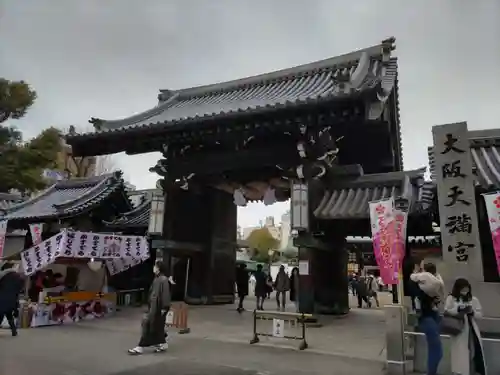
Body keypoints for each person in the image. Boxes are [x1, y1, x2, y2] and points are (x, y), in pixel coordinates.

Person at [444, 278, 486, 375]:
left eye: (466, 289)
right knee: (459, 353)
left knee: (472, 351)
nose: (465, 292)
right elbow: (447, 311)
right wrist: (458, 309)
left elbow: (480, 314)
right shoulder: (451, 298)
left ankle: (472, 371)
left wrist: (472, 312)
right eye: (463, 289)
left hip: (471, 329)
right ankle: (459, 372)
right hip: (457, 329)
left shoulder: (473, 299)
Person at [128, 261, 171, 355]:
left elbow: (165, 294)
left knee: (148, 325)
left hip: (159, 308)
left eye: (155, 266)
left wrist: (164, 307)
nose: (154, 268)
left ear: (159, 268)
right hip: (154, 307)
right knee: (157, 327)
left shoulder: (163, 280)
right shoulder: (157, 279)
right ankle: (162, 343)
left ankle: (140, 347)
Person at [411, 261, 444, 375]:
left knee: (434, 349)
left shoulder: (430, 283)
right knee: (437, 350)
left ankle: (431, 372)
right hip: (427, 317)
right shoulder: (419, 286)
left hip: (433, 316)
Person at [0, 262, 24, 337]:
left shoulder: (3, 275)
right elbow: (20, 288)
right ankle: (14, 330)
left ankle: (14, 330)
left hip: (2, 298)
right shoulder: (18, 277)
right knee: (8, 313)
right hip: (12, 298)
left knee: (1, 314)